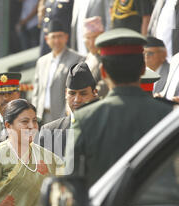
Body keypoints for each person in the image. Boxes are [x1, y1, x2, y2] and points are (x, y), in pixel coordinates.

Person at [65, 28, 173, 187]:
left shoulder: (85, 120)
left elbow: (70, 186)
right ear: (143, 69)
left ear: (103, 71)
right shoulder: (168, 114)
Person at [38, 61, 98, 158]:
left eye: (83, 94)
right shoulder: (50, 133)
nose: (77, 99)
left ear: (95, 93)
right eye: (72, 93)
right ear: (66, 93)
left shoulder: (107, 125)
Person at [32, 21, 84, 124]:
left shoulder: (77, 59)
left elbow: (74, 90)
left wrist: (66, 115)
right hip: (41, 116)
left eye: (60, 36)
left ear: (66, 37)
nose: (57, 40)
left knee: (59, 140)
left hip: (62, 116)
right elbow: (36, 93)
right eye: (53, 37)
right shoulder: (42, 61)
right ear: (47, 39)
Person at [83, 15, 109, 99]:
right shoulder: (86, 58)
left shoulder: (107, 58)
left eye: (95, 37)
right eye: (88, 38)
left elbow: (104, 86)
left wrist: (84, 98)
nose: (91, 42)